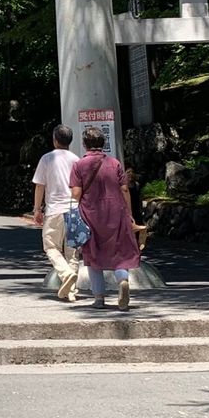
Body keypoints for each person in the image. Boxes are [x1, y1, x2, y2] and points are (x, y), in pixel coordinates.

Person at [69, 127, 141, 308]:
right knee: (120, 251)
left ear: (85, 144)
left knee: (93, 255)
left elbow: (76, 193)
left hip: (90, 213)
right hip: (116, 212)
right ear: (103, 143)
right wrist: (129, 214)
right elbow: (124, 189)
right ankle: (122, 280)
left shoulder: (79, 165)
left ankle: (99, 298)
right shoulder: (115, 163)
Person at [31, 123, 81, 302]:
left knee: (51, 246)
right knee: (73, 252)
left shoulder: (47, 159)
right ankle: (71, 291)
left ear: (54, 140)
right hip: (74, 210)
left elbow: (40, 186)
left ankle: (66, 274)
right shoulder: (76, 159)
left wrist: (37, 209)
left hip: (54, 210)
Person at [124, 167, 150, 253]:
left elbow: (140, 197)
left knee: (138, 227)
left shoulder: (137, 185)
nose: (130, 174)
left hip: (136, 209)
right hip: (127, 209)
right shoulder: (124, 186)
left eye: (132, 172)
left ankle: (138, 246)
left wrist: (141, 208)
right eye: (128, 172)